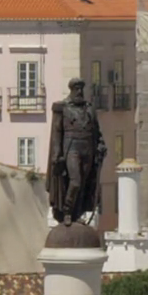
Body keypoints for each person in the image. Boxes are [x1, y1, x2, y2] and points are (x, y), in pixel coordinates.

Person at [46, 78, 106, 224]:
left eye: (81, 89)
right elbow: (57, 132)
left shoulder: (89, 109)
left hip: (87, 148)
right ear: (71, 90)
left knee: (84, 183)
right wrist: (57, 154)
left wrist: (101, 144)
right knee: (75, 181)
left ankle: (77, 213)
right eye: (76, 89)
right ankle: (67, 211)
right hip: (71, 147)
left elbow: (96, 131)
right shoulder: (63, 108)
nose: (79, 92)